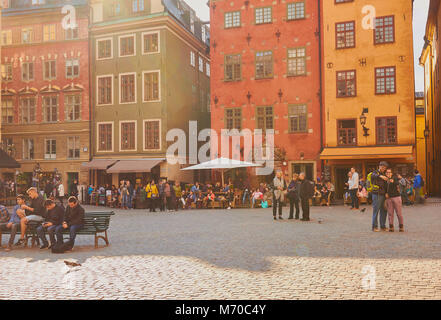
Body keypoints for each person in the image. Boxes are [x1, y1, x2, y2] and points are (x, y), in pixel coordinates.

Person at [371, 161, 389, 232]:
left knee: (384, 210)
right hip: (376, 194)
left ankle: (383, 226)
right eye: (383, 167)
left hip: (383, 195)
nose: (384, 168)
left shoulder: (385, 173)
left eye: (385, 167)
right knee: (376, 210)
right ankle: (374, 227)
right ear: (380, 166)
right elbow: (373, 176)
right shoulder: (375, 172)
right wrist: (380, 176)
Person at [385, 168, 404, 232]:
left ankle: (401, 226)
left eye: (389, 172)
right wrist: (385, 193)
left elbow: (397, 182)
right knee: (390, 213)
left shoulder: (395, 178)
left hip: (396, 197)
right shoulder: (385, 180)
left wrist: (393, 181)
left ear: (391, 173)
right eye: (387, 172)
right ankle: (391, 226)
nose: (388, 173)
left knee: (399, 213)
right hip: (389, 199)